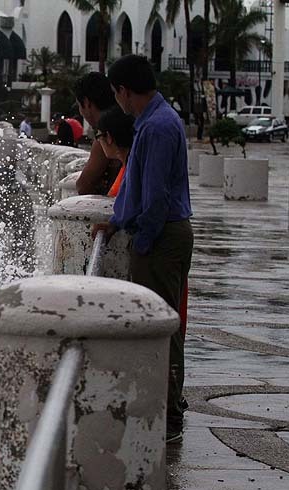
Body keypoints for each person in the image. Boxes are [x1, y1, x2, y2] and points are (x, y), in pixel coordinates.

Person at [92, 54, 194, 444]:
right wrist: (117, 222)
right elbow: (139, 189)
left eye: (115, 93)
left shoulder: (156, 127)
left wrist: (144, 242)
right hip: (164, 232)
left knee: (162, 328)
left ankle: (168, 414)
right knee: (163, 324)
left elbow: (154, 197)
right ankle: (166, 405)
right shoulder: (154, 120)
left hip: (164, 235)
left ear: (122, 90)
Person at [74, 72, 122, 195]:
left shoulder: (106, 131)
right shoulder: (126, 118)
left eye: (80, 106)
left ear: (87, 102)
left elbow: (83, 185)